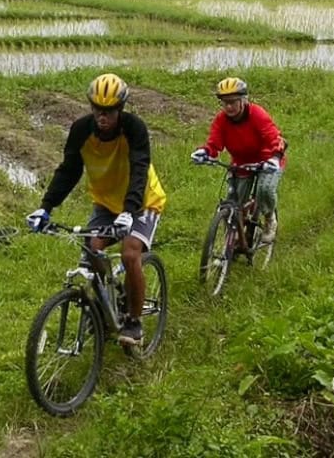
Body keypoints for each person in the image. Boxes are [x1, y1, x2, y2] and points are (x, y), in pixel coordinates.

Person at [26, 73, 166, 346]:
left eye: (110, 111)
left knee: (129, 253)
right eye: (97, 110)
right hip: (105, 202)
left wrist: (128, 211)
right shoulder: (81, 130)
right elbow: (68, 171)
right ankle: (104, 309)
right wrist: (45, 208)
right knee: (92, 251)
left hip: (142, 201)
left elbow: (139, 168)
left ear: (120, 109)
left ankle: (134, 322)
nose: (103, 116)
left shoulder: (134, 128)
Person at [191, 77, 286, 243]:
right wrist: (205, 152)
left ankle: (270, 219)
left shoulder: (257, 114)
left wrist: (276, 157)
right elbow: (214, 144)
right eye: (225, 102)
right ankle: (231, 243)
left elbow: (274, 138)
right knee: (235, 204)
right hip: (241, 163)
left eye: (233, 102)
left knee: (265, 189)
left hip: (268, 160)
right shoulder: (221, 120)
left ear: (243, 100)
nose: (229, 107)